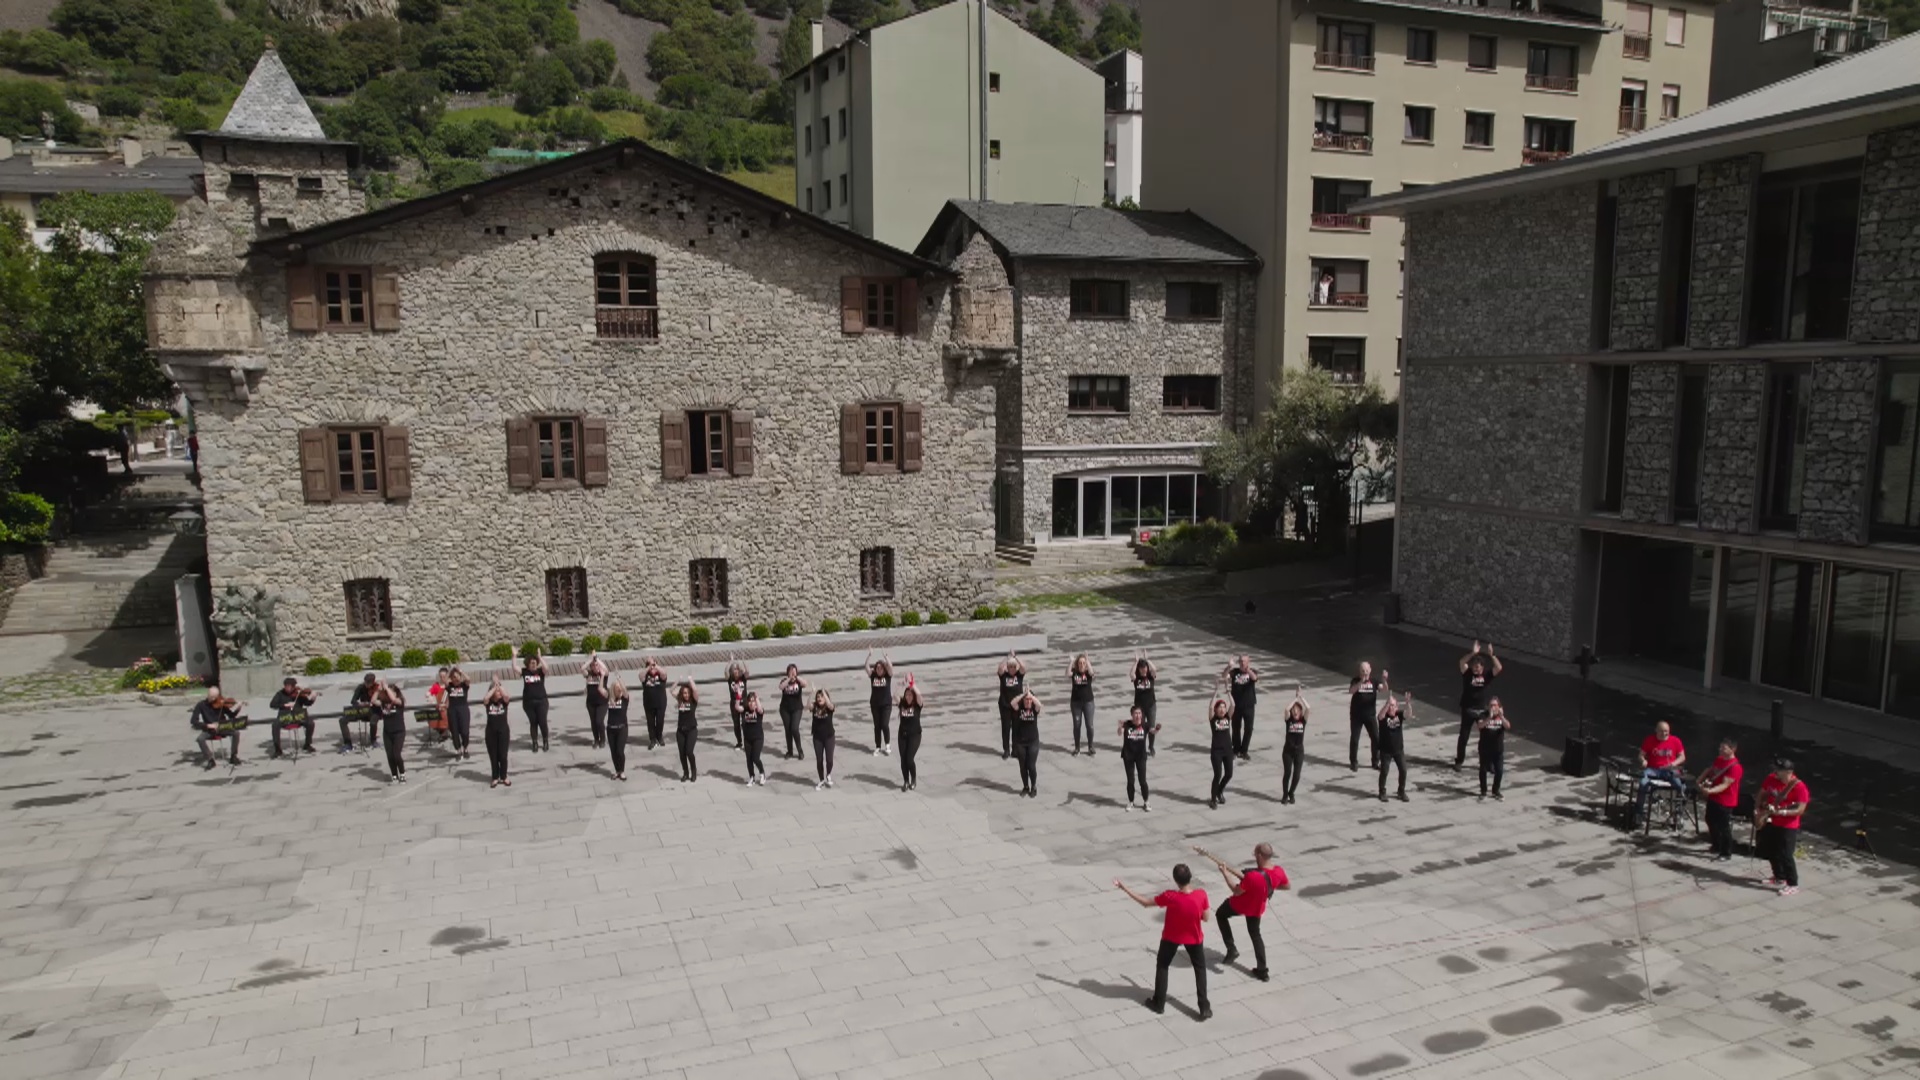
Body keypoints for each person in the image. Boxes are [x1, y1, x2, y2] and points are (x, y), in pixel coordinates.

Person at [1114, 865, 1212, 1021]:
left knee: (1163, 965)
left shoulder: (1170, 896)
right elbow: (1206, 918)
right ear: (1190, 877)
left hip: (1171, 938)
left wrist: (1125, 888)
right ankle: (1204, 1007)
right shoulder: (1201, 895)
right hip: (1194, 938)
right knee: (1200, 969)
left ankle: (1159, 1003)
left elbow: (1145, 902)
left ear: (1175, 880)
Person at [1196, 844, 1289, 983]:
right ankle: (1263, 971)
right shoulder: (1278, 872)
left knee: (1221, 914)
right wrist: (1270, 887)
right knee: (1255, 935)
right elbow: (1286, 886)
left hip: (1240, 905)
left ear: (1259, 856)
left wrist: (1225, 873)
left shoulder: (1253, 876)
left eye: (1255, 854)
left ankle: (1231, 948)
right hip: (1257, 908)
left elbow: (1235, 890)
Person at [1755, 759, 1809, 896]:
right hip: (1771, 820)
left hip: (1788, 825)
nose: (1776, 772)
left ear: (1788, 772)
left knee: (1786, 854)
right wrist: (1758, 808)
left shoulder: (1799, 787)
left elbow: (1800, 809)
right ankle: (1779, 877)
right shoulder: (1771, 779)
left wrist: (1783, 812)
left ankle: (1793, 883)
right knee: (1772, 850)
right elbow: (1762, 793)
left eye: (1779, 770)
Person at [1627, 719, 1687, 829]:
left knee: (1680, 785)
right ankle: (1638, 812)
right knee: (1643, 782)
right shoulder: (1649, 740)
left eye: (1666, 731)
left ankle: (1678, 814)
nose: (1664, 734)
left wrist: (1673, 763)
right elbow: (1640, 755)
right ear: (1656, 730)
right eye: (1661, 731)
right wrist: (1643, 760)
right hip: (1653, 769)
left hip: (1669, 769)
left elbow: (1682, 757)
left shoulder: (1675, 741)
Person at [1454, 641, 1502, 769]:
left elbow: (1498, 668)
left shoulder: (1486, 675)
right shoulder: (1467, 673)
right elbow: (1461, 662)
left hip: (1481, 710)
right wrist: (1473, 653)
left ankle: (1488, 763)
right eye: (1474, 666)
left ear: (1482, 667)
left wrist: (1492, 655)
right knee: (1463, 737)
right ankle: (1459, 761)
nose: (1476, 668)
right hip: (1468, 709)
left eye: (1479, 666)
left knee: (1487, 738)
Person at [1696, 738, 1743, 862]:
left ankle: (1726, 852)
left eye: (1724, 748)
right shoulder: (1719, 760)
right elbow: (1711, 770)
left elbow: (1725, 784)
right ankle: (1716, 845)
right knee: (1710, 819)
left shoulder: (1735, 767)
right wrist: (1700, 780)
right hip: (1714, 798)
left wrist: (1709, 791)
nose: (1720, 750)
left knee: (1724, 826)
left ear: (1733, 749)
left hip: (1726, 801)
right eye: (1720, 747)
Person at [190, 686, 242, 769]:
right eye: (211, 696)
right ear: (208, 695)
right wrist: (207, 725)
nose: (213, 699)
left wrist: (238, 708)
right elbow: (193, 721)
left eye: (215, 697)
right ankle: (210, 759)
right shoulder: (201, 705)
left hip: (222, 727)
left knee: (236, 733)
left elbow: (231, 716)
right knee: (200, 739)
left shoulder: (221, 703)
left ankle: (233, 756)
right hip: (209, 730)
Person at [268, 677, 316, 758]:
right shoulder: (280, 694)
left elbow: (307, 703)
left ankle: (307, 744)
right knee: (275, 725)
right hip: (285, 717)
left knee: (310, 723)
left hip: (298, 716)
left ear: (294, 687)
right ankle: (278, 750)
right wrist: (284, 705)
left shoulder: (299, 693)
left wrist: (313, 698)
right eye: (286, 686)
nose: (288, 688)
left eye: (290, 686)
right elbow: (272, 705)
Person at [1119, 705, 1155, 810]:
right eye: (1136, 713)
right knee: (1130, 780)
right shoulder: (1127, 724)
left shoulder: (1145, 725)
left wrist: (1157, 729)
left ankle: (1146, 801)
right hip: (1128, 756)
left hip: (1141, 756)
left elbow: (1152, 731)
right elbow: (1119, 731)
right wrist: (1120, 728)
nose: (1138, 716)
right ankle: (1131, 802)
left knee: (1142, 780)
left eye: (1139, 713)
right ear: (1132, 715)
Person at [1348, 661, 1382, 772]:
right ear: (1360, 672)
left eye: (1367, 670)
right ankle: (1353, 762)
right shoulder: (1356, 680)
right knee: (1355, 739)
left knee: (1376, 738)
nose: (1365, 673)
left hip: (1370, 715)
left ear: (1370, 670)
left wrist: (1385, 681)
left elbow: (1383, 689)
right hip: (1356, 715)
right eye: (1363, 671)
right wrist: (1361, 682)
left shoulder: (1374, 681)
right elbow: (1351, 691)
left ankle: (1375, 761)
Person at [1376, 693, 1410, 802]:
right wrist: (1387, 704)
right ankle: (1382, 792)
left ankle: (1401, 791)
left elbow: (1408, 714)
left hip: (1398, 750)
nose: (1392, 708)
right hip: (1385, 750)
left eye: (1393, 706)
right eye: (1390, 706)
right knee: (1384, 771)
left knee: (1403, 770)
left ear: (1397, 707)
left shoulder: (1399, 715)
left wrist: (1408, 703)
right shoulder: (1383, 717)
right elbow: (1380, 716)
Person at [1224, 655, 1259, 760]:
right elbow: (1224, 676)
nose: (1242, 663)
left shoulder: (1252, 671)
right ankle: (1236, 749)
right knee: (1236, 728)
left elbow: (1255, 678)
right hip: (1236, 705)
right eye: (1240, 661)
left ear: (1248, 662)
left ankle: (1244, 750)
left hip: (1249, 705)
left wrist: (1247, 670)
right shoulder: (1234, 672)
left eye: (1244, 661)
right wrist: (1228, 667)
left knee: (1249, 728)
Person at [1476, 698, 1510, 801]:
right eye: (1491, 705)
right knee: (1483, 770)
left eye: (1495, 705)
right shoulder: (1483, 715)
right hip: (1485, 749)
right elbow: (1480, 726)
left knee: (1499, 771)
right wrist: (1489, 718)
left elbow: (1508, 726)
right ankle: (1483, 791)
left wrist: (1502, 716)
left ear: (1499, 707)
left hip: (1497, 750)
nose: (1492, 707)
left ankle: (1496, 791)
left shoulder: (1500, 718)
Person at [1010, 688, 1042, 798]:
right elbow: (1013, 703)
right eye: (1026, 700)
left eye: (1030, 700)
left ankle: (1033, 786)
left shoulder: (1034, 709)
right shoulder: (1019, 709)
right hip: (1020, 743)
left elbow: (1040, 705)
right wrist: (1024, 694)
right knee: (1023, 766)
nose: (1028, 702)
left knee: (1031, 765)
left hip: (1033, 742)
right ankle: (1025, 786)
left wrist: (1031, 696)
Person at [1280, 686, 1308, 804]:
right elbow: (1286, 709)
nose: (1295, 712)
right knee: (1287, 773)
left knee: (1297, 775)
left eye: (1297, 710)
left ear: (1301, 713)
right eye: (1294, 710)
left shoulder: (1303, 721)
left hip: (1299, 751)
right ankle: (1285, 794)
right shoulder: (1289, 721)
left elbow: (1308, 708)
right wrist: (1295, 700)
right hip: (1288, 751)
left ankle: (1292, 792)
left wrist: (1301, 698)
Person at [483, 676, 511, 787]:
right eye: (496, 691)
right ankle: (495, 777)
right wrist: (494, 688)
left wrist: (499, 685)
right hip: (491, 732)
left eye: (499, 691)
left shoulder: (503, 702)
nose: (499, 692)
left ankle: (504, 776)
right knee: (493, 756)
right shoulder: (489, 703)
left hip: (503, 731)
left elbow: (507, 696)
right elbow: (486, 698)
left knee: (503, 755)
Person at [896, 678, 924, 791]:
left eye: (910, 695)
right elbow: (894, 695)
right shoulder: (902, 704)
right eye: (906, 695)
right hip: (902, 735)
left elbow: (919, 695)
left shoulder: (917, 705)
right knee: (903, 760)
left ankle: (913, 779)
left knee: (909, 758)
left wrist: (912, 684)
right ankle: (906, 781)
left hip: (915, 735)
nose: (908, 697)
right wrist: (900, 685)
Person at [1207, 698, 1235, 810]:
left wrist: (1228, 691)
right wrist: (1215, 691)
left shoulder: (1228, 718)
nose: (1222, 709)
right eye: (1220, 707)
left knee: (1229, 774)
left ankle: (1219, 791)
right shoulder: (1213, 720)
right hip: (1216, 752)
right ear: (1216, 710)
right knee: (1217, 775)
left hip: (1228, 751)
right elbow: (1210, 707)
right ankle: (1213, 799)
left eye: (1224, 707)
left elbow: (1233, 704)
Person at [996, 653, 1026, 759]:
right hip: (1005, 706)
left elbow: (1023, 667)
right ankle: (1006, 750)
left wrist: (1016, 657)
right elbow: (1000, 668)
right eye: (1010, 667)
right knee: (1006, 728)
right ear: (1007, 668)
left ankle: (1015, 750)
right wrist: (1007, 658)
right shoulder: (1004, 676)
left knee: (1016, 728)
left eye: (1014, 666)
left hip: (1017, 706)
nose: (1012, 668)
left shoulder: (1019, 675)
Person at [339, 671, 379, 752]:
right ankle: (348, 744)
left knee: (373, 722)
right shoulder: (361, 687)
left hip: (374, 710)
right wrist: (360, 704)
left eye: (369, 683)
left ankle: (373, 740)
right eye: (366, 683)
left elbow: (381, 701)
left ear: (373, 682)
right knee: (342, 720)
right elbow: (353, 701)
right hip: (362, 710)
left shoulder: (377, 688)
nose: (366, 685)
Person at [521, 649, 550, 753]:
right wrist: (514, 657)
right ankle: (535, 742)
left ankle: (545, 741)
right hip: (528, 703)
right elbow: (515, 668)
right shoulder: (525, 672)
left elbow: (546, 668)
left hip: (541, 701)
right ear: (528, 664)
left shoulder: (540, 672)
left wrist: (540, 657)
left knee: (542, 722)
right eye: (531, 663)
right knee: (533, 723)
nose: (533, 665)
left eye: (535, 663)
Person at [379, 683, 409, 782]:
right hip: (387, 732)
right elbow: (373, 700)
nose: (388, 695)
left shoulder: (399, 702)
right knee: (390, 755)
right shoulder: (383, 703)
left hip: (399, 732)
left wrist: (387, 688)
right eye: (387, 693)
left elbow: (394, 700)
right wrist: (378, 690)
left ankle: (402, 773)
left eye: (390, 693)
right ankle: (394, 774)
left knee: (396, 754)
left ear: (396, 693)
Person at [778, 664, 808, 760]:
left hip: (797, 708)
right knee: (788, 730)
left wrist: (796, 677)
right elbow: (781, 687)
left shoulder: (798, 681)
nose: (792, 673)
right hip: (785, 709)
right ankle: (790, 751)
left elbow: (805, 684)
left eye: (794, 671)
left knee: (794, 728)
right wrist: (788, 679)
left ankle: (800, 750)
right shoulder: (784, 681)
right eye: (790, 671)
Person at [1068, 654, 1096, 755]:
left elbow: (1092, 672)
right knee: (1077, 725)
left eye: (1083, 663)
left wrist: (1088, 661)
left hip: (1088, 702)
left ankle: (1090, 746)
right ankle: (1077, 748)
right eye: (1080, 663)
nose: (1082, 665)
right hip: (1076, 703)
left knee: (1090, 725)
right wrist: (1071, 661)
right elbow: (1067, 673)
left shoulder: (1088, 673)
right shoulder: (1074, 673)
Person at [867, 653, 894, 756]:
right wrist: (869, 655)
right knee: (877, 726)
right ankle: (878, 746)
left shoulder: (888, 676)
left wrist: (886, 656)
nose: (878, 669)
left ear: (883, 669)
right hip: (875, 705)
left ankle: (887, 744)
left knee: (884, 724)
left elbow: (890, 666)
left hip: (886, 704)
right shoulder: (873, 676)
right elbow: (866, 667)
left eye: (880, 668)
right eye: (877, 668)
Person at [739, 690, 768, 786]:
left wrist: (757, 698)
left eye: (753, 701)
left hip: (758, 738)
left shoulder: (759, 711)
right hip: (747, 738)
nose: (752, 703)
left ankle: (762, 773)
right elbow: (737, 708)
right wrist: (738, 696)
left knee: (755, 757)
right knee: (749, 759)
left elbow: (760, 709)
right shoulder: (745, 711)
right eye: (750, 701)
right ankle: (752, 777)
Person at [443, 666, 472, 760]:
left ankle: (465, 747)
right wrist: (451, 670)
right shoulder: (450, 686)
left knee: (465, 731)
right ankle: (458, 750)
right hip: (452, 710)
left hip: (463, 709)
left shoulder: (464, 685)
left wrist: (461, 671)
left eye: (458, 676)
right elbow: (444, 680)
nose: (456, 679)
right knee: (454, 731)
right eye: (454, 677)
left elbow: (468, 679)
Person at [1131, 657, 1159, 756]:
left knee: (1151, 727)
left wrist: (1148, 660)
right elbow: (1131, 674)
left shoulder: (1151, 676)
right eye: (1142, 668)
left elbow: (1154, 669)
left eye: (1145, 668)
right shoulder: (1137, 679)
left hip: (1151, 706)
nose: (1144, 670)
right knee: (1140, 728)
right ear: (1139, 669)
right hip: (1139, 708)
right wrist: (1135, 663)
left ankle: (1151, 747)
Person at [605, 678, 631, 781]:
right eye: (616, 688)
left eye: (619, 688)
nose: (619, 690)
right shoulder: (610, 699)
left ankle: (622, 771)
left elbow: (625, 691)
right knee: (613, 752)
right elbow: (601, 690)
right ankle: (617, 771)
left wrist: (619, 679)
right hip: (611, 729)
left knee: (620, 751)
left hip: (622, 728)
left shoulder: (624, 699)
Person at [674, 681, 700, 782]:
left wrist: (690, 680)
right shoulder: (680, 701)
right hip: (680, 731)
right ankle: (685, 772)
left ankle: (693, 770)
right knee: (682, 753)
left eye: (688, 693)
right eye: (684, 693)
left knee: (689, 751)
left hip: (692, 730)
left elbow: (695, 690)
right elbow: (671, 691)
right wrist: (677, 681)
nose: (686, 695)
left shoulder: (693, 701)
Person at [810, 689, 837, 790]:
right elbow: (808, 706)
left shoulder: (829, 708)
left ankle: (828, 774)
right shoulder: (815, 707)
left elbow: (830, 705)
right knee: (819, 760)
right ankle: (821, 779)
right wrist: (812, 694)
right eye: (818, 697)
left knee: (829, 759)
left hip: (829, 736)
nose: (819, 698)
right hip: (817, 737)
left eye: (821, 697)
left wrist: (824, 693)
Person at [640, 658, 669, 750]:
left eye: (653, 664)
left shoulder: (660, 674)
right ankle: (652, 739)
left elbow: (664, 675)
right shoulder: (646, 674)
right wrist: (648, 667)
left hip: (660, 702)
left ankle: (659, 737)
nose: (651, 666)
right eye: (649, 664)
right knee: (650, 722)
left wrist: (655, 665)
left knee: (660, 721)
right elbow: (641, 677)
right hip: (648, 703)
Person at [583, 653, 610, 749]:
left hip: (602, 702)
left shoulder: (603, 674)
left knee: (599, 721)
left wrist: (597, 659)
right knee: (593, 722)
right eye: (593, 666)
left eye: (597, 665)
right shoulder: (589, 674)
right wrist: (591, 660)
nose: (595, 667)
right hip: (591, 702)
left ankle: (603, 739)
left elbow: (606, 669)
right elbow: (582, 669)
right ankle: (596, 739)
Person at [725, 661, 749, 750]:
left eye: (737, 669)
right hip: (734, 703)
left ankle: (747, 742)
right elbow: (725, 672)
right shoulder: (730, 679)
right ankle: (739, 742)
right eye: (734, 669)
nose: (736, 671)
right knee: (736, 724)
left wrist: (743, 662)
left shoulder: (743, 678)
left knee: (745, 723)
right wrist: (730, 662)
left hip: (744, 702)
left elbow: (747, 672)